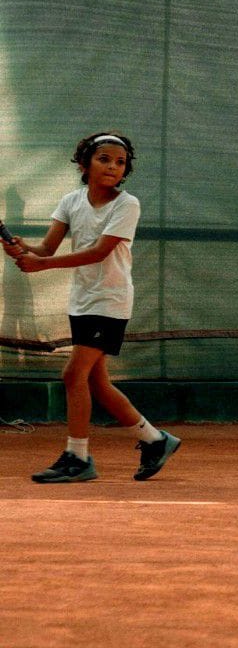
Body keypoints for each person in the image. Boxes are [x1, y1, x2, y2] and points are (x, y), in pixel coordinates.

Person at [3, 132, 181, 483]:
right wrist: (24, 249)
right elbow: (47, 249)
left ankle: (78, 457)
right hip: (82, 302)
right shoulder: (71, 201)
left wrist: (41, 266)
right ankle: (155, 440)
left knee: (72, 375)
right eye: (104, 159)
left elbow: (99, 252)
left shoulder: (127, 204)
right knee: (97, 383)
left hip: (110, 301)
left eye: (120, 162)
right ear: (85, 164)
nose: (113, 166)